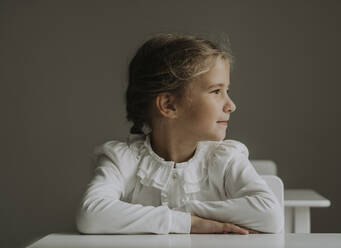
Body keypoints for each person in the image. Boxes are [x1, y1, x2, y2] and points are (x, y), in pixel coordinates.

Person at [76, 33, 283, 235]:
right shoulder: (123, 159)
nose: (231, 105)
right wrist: (190, 224)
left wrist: (184, 211)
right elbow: (91, 215)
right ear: (169, 105)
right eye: (216, 91)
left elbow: (270, 215)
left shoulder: (225, 158)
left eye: (226, 91)